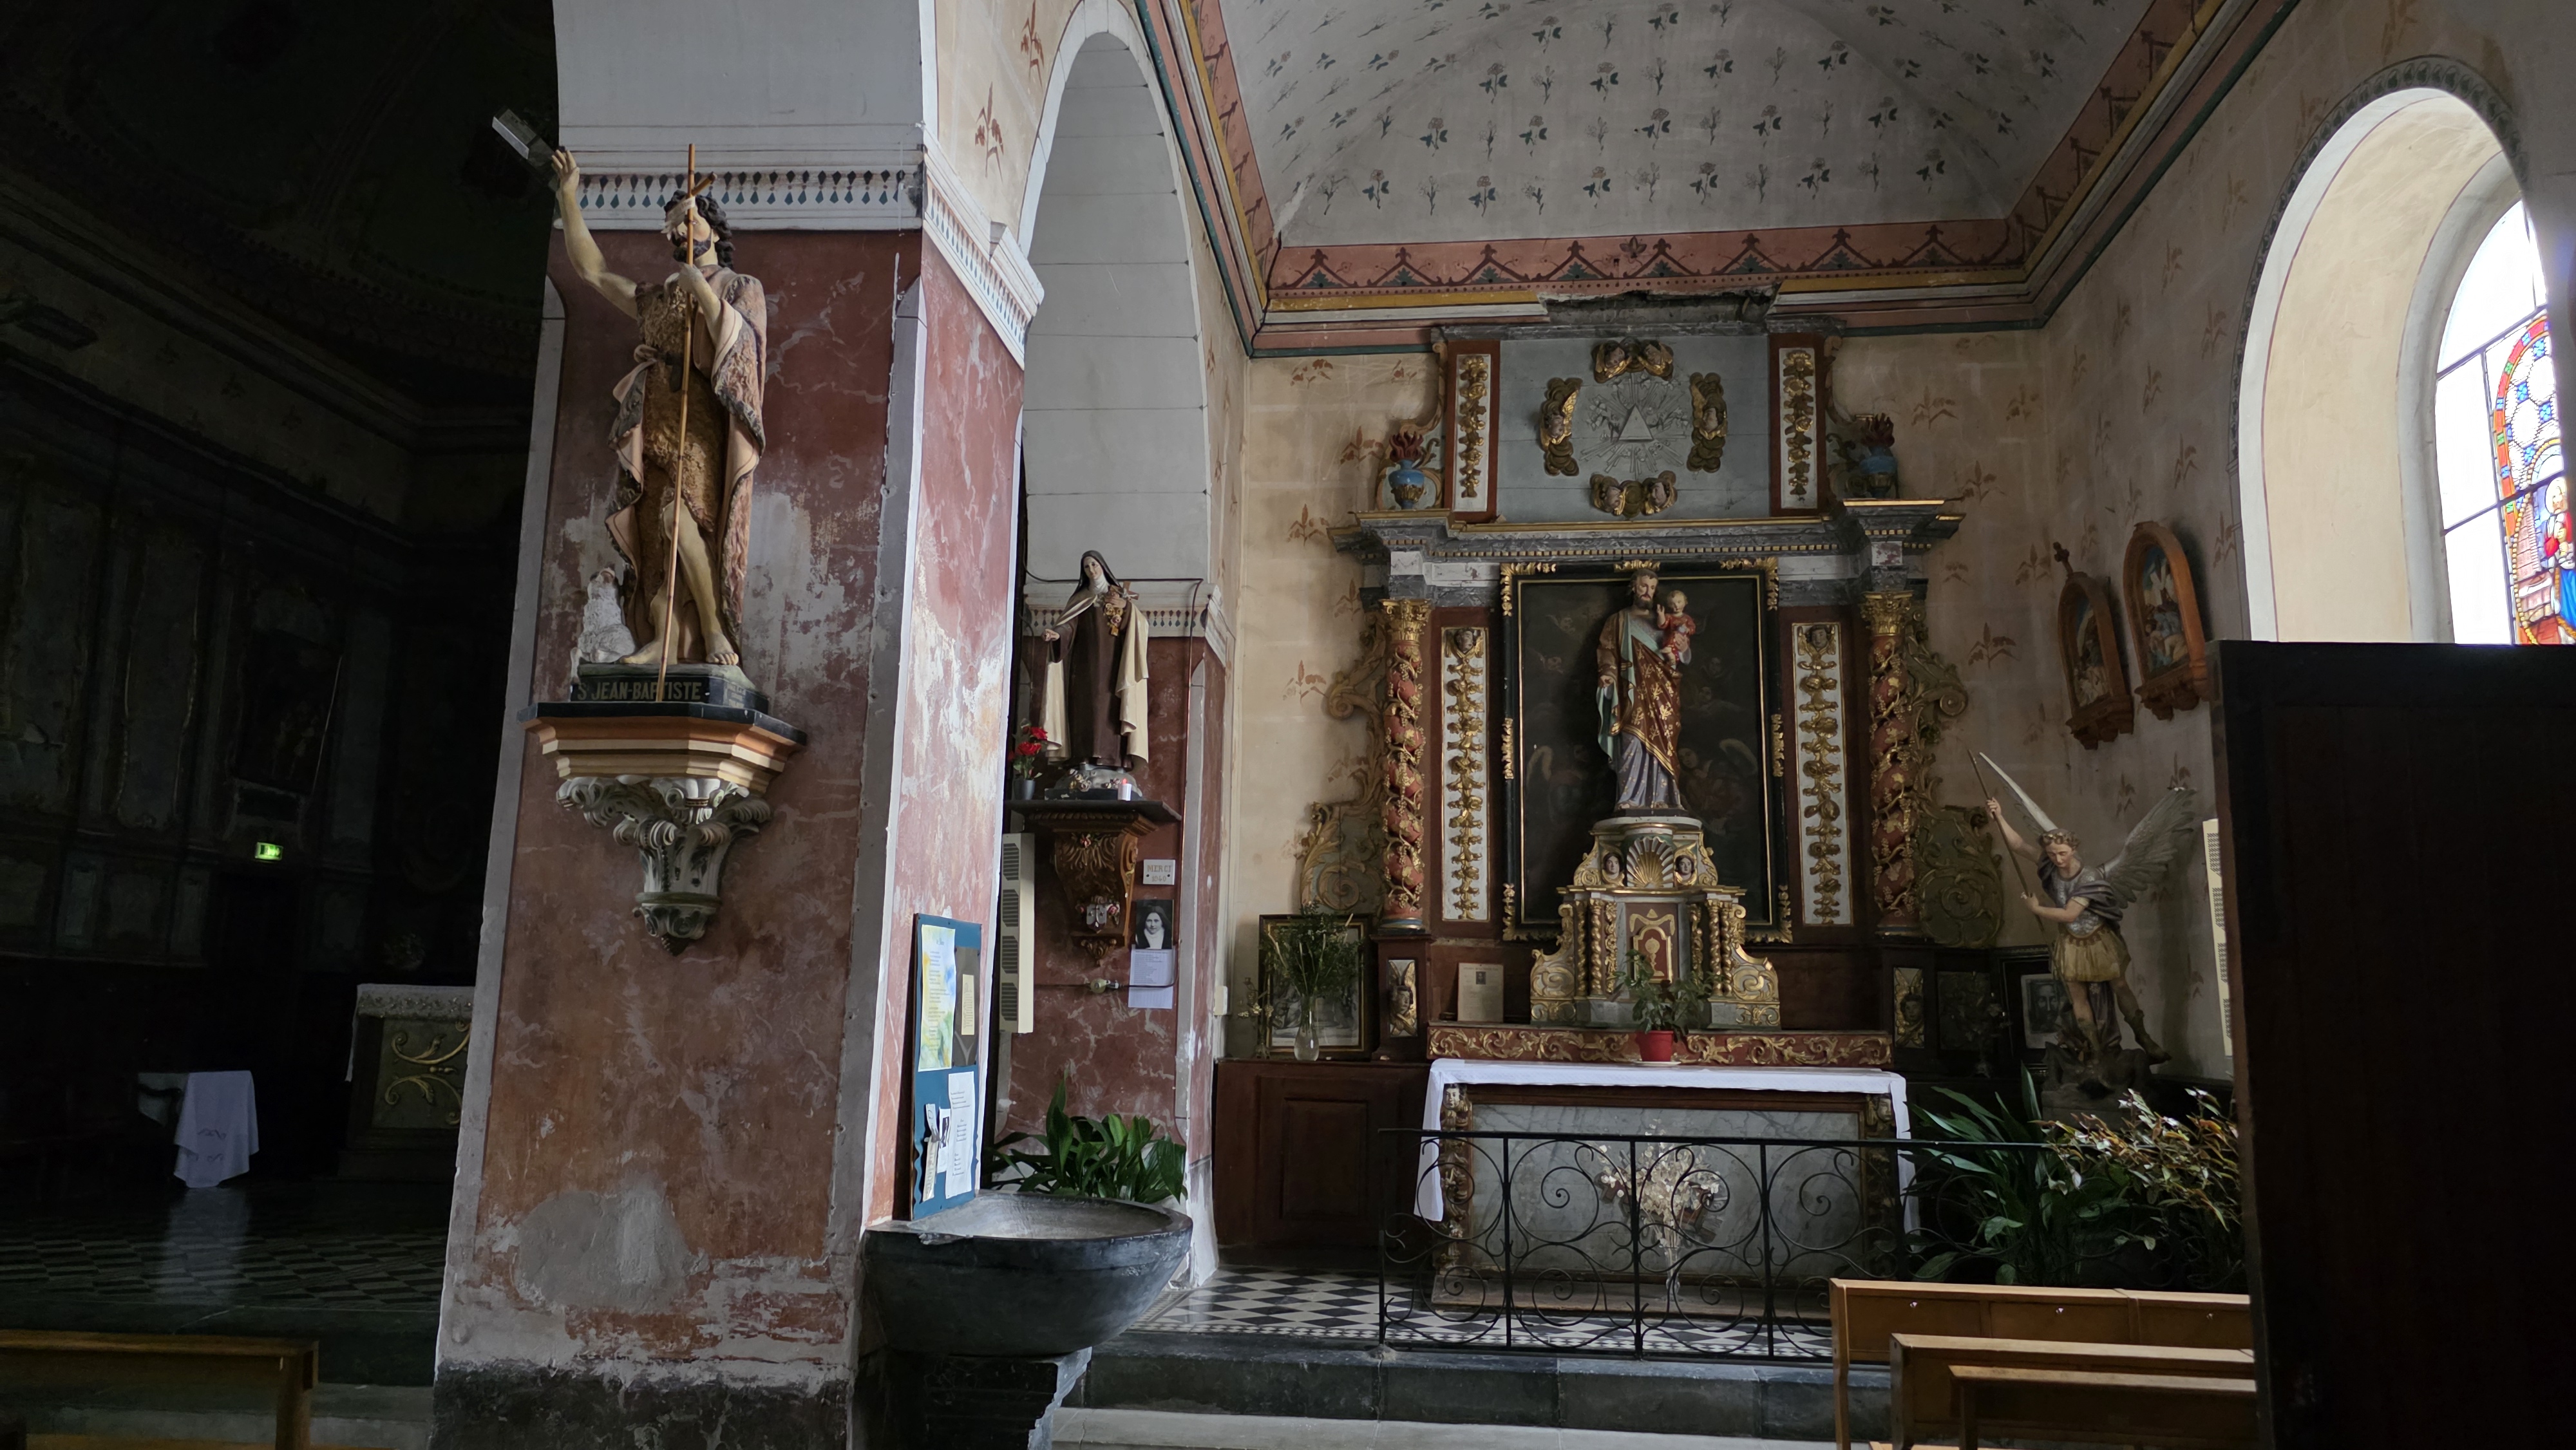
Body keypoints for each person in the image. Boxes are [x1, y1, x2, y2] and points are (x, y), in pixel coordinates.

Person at [551, 149, 768, 670]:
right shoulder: (657, 299)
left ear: (712, 226)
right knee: (654, 537)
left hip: (700, 426)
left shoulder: (740, 286)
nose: (680, 233)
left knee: (682, 518)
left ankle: (713, 629)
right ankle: (665, 638)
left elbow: (743, 354)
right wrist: (568, 198)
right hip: (653, 424)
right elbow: (595, 273)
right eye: (673, 228)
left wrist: (703, 293)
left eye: (688, 221)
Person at [1987, 795, 2173, 1066]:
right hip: (2070, 941)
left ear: (2073, 849)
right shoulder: (2050, 864)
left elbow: (2070, 914)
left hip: (2097, 938)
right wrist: (1999, 817)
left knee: (2120, 985)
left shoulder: (2089, 877)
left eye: (2062, 853)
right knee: (2077, 996)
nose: (2057, 859)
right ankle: (2095, 1050)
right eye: (2052, 854)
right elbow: (2018, 846)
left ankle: (2143, 1037)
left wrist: (2036, 909)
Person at [1039, 551, 1150, 771]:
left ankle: (1115, 761)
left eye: (1094, 565)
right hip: (1084, 667)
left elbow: (1140, 626)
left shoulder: (1118, 595)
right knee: (1085, 708)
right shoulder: (1080, 599)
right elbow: (1068, 626)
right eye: (1087, 567)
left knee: (1111, 708)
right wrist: (1057, 635)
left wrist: (1126, 608)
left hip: (1113, 666)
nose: (1092, 570)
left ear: (1103, 567)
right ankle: (1083, 758)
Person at [1596, 566, 1687, 813]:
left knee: (1664, 740)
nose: (1648, 592)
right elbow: (1607, 651)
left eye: (1653, 588)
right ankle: (1630, 798)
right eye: (1644, 586)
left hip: (1663, 691)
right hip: (1631, 689)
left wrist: (1682, 649)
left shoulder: (1665, 621)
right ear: (1634, 588)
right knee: (1633, 740)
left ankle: (1662, 798)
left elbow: (1677, 654)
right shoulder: (1619, 620)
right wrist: (1608, 674)